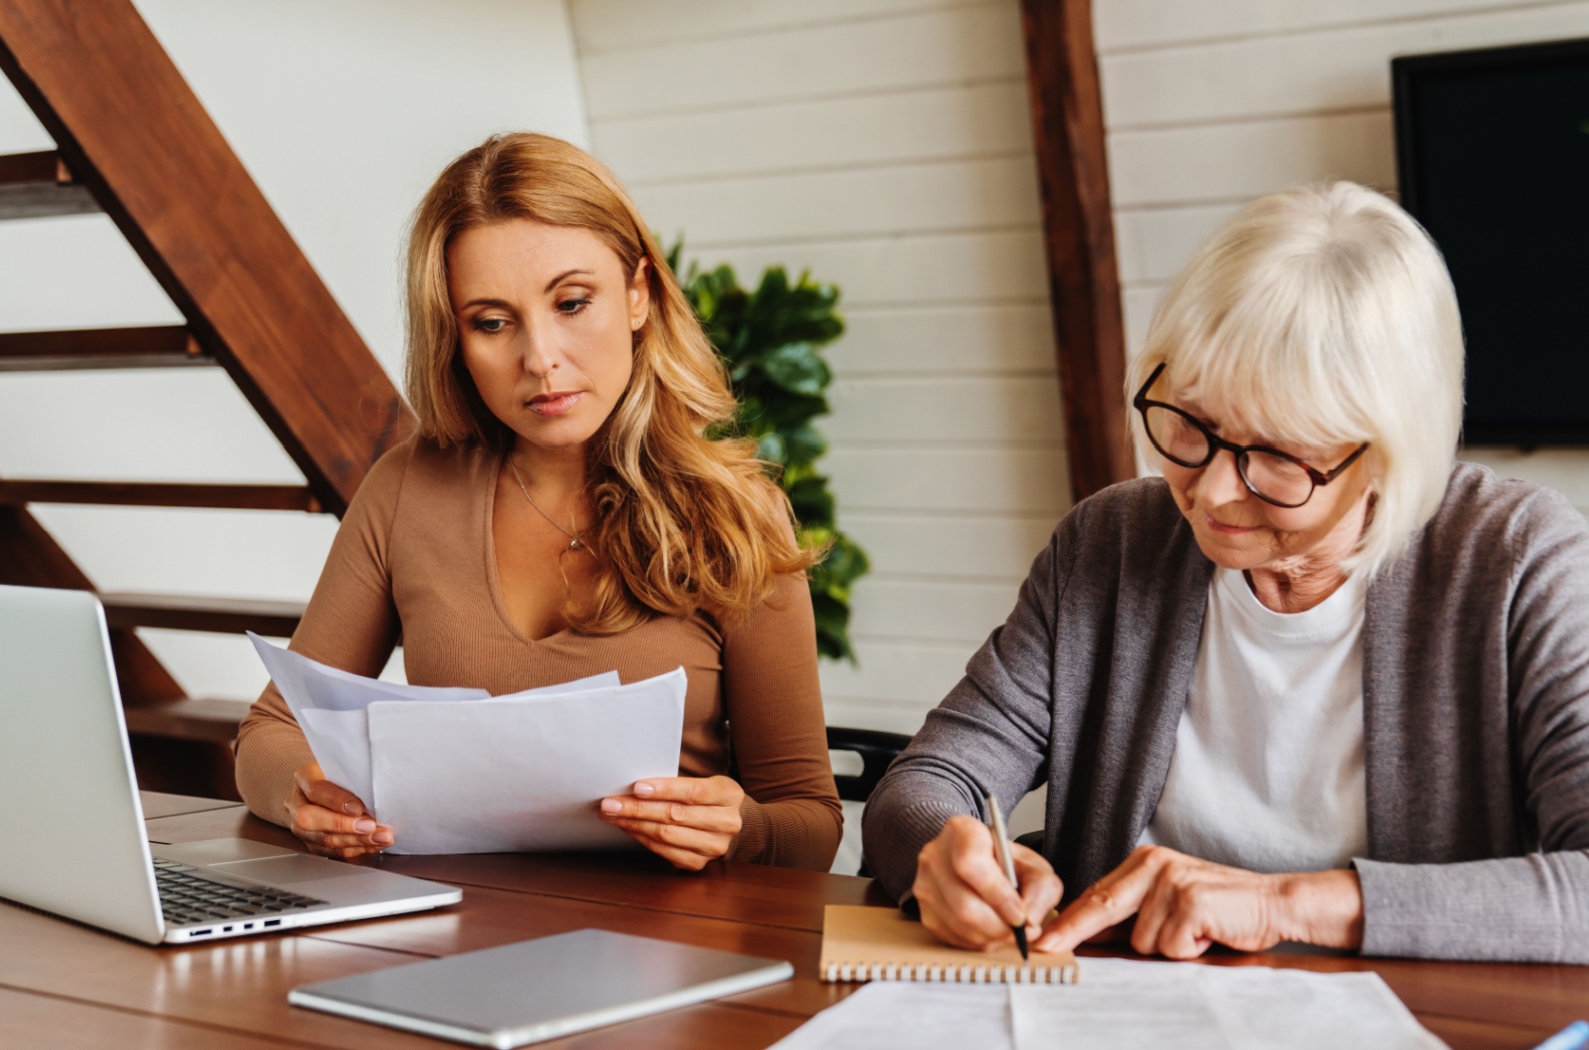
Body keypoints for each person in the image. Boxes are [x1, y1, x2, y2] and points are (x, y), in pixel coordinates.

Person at [862, 181, 1589, 963]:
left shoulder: (1520, 562)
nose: (1209, 493)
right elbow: (927, 781)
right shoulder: (1108, 544)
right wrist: (944, 854)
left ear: (1386, 455)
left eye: (1274, 458)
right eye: (1190, 424)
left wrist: (1287, 904)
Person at [235, 132, 841, 872]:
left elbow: (811, 822)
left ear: (639, 295)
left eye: (573, 302)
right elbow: (268, 732)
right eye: (492, 323)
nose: (541, 358)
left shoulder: (736, 515)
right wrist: (305, 794)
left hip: (673, 948)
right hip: (453, 936)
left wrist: (739, 828)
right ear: (454, 340)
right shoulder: (408, 488)